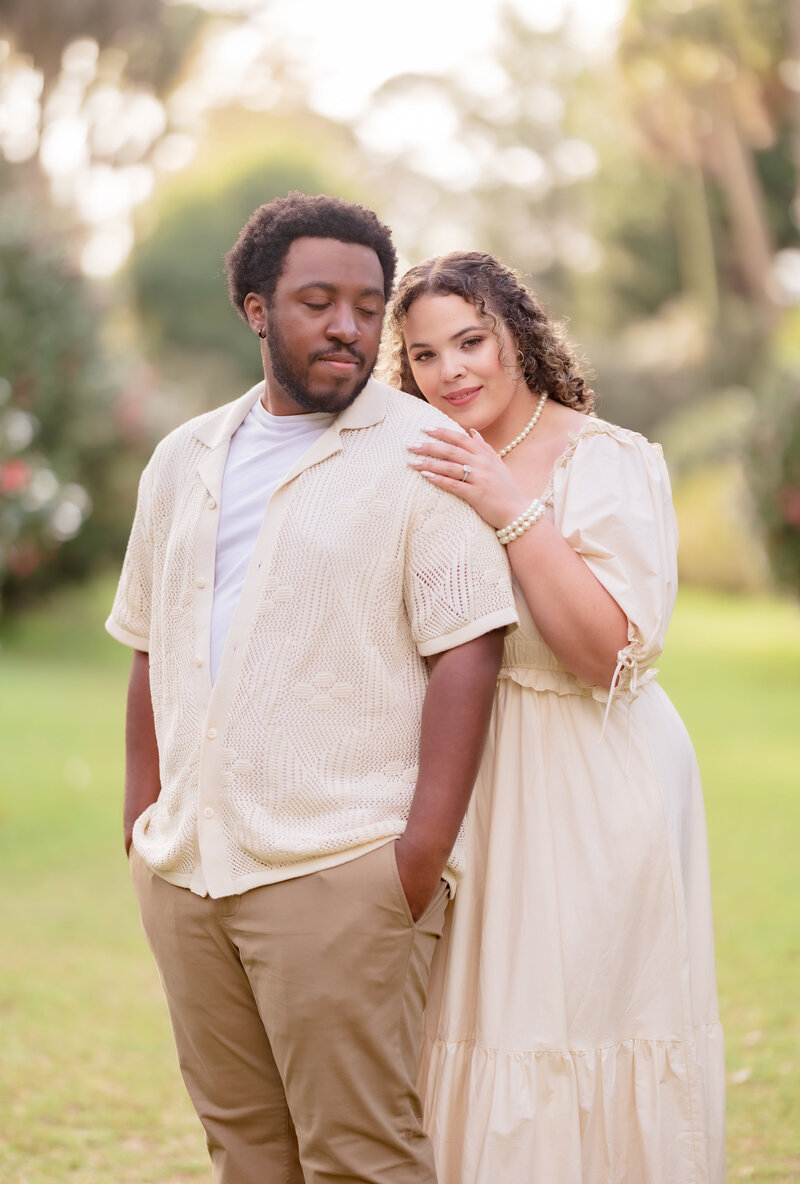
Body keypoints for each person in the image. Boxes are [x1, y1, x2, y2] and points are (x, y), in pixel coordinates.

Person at [106, 196, 519, 1184]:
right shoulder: (182, 461)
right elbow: (149, 645)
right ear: (257, 309)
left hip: (340, 870)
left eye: (367, 305)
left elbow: (468, 650)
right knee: (245, 1150)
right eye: (317, 301)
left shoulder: (424, 452)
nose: (346, 326)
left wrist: (410, 859)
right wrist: (141, 823)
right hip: (189, 869)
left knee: (362, 1156)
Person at [382, 250, 725, 1184]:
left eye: (469, 341)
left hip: (589, 774)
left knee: (573, 1022)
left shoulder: (601, 458)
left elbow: (608, 649)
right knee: (468, 1023)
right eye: (422, 356)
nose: (449, 372)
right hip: (466, 777)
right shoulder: (421, 458)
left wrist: (505, 502)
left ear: (517, 335)